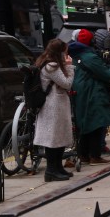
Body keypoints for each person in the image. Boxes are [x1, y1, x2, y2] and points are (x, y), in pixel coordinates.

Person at [68, 28, 110, 165]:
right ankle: (95, 156)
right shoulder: (90, 57)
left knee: (84, 123)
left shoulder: (76, 55)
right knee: (96, 123)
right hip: (92, 92)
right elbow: (107, 75)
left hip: (80, 92)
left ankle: (83, 155)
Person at [32, 38, 75, 181]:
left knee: (59, 137)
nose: (66, 55)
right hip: (53, 106)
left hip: (57, 105)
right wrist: (69, 66)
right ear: (59, 52)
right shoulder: (51, 66)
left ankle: (58, 168)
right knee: (53, 139)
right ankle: (51, 171)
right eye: (65, 52)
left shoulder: (48, 63)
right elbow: (67, 83)